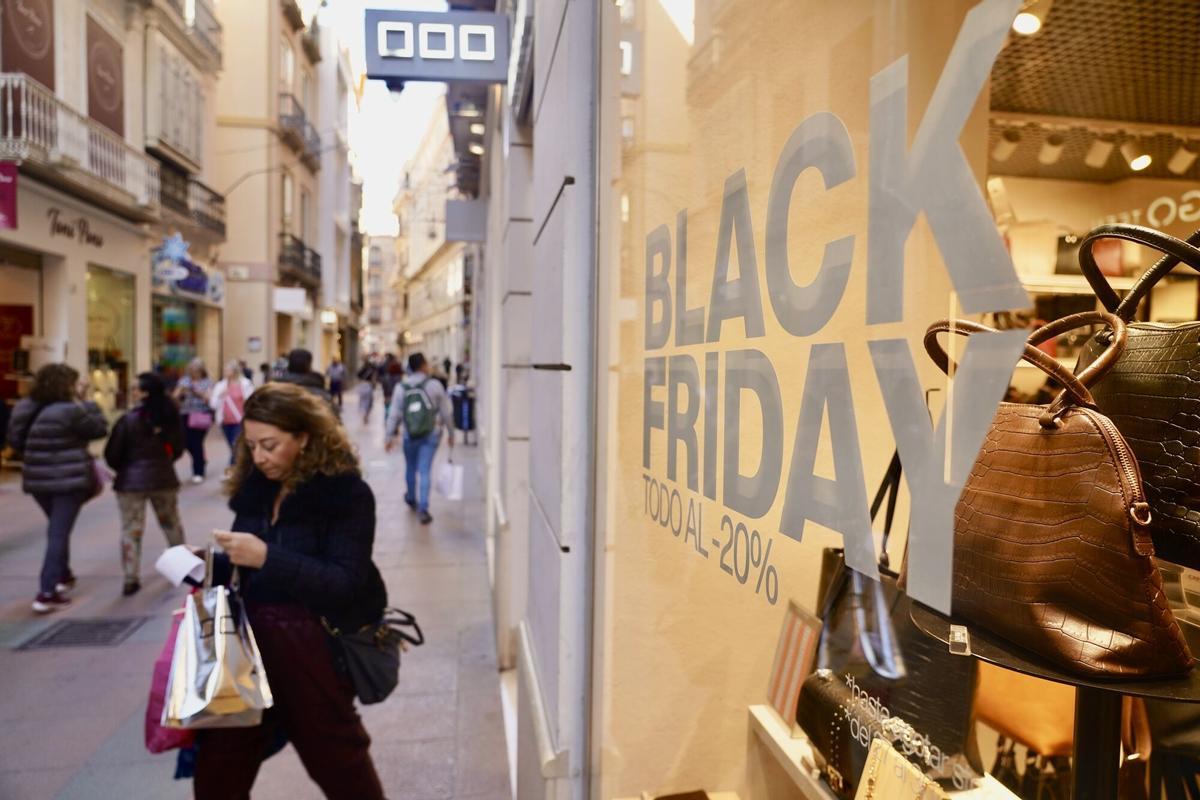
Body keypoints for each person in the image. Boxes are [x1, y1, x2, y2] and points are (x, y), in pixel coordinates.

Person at [197, 382, 386, 799]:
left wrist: (267, 557)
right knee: (218, 767)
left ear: (304, 437)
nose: (260, 456)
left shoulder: (345, 494)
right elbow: (247, 562)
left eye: (271, 444)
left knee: (339, 762)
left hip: (311, 650)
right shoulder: (256, 490)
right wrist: (209, 562)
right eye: (251, 445)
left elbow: (345, 581)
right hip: (247, 648)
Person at [6, 364, 108, 613]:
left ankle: (63, 575)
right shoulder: (71, 410)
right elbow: (99, 429)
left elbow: (15, 440)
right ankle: (47, 591)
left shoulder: (23, 407)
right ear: (66, 385)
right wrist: (87, 403)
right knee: (58, 533)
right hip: (69, 480)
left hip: (37, 479)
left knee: (57, 528)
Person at [103, 372, 185, 596]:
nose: (132, 393)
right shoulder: (169, 416)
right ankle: (182, 568)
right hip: (163, 478)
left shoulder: (127, 420)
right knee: (171, 523)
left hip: (131, 482)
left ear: (145, 392)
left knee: (131, 529)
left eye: (135, 389)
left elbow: (112, 454)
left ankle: (131, 576)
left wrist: (126, 468)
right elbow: (178, 447)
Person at [385, 352, 453, 524]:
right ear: (423, 365)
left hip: (410, 434)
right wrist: (451, 433)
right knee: (424, 470)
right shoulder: (435, 385)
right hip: (431, 434)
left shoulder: (402, 387)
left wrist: (389, 436)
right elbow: (446, 412)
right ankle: (423, 508)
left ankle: (411, 498)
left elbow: (394, 414)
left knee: (410, 467)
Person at [173, 358, 213, 484]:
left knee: (196, 442)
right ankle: (200, 460)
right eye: (191, 370)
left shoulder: (208, 382)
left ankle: (198, 471)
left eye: (196, 370)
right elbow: (174, 397)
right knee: (186, 442)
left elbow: (209, 398)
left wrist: (195, 391)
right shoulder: (184, 380)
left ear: (201, 370)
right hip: (185, 414)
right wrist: (181, 391)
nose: (193, 373)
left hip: (201, 414)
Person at [210, 360, 255, 466]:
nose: (225, 372)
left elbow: (251, 401)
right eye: (224, 370)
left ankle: (232, 469)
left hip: (240, 420)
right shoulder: (220, 385)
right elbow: (213, 404)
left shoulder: (245, 384)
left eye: (227, 370)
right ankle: (240, 466)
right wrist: (220, 395)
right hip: (225, 420)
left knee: (235, 444)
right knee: (232, 445)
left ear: (235, 371)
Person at [378, 355, 403, 429]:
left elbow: (384, 387)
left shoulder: (386, 378)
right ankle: (395, 426)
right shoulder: (399, 379)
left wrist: (385, 396)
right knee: (396, 412)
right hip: (395, 398)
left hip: (388, 396)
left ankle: (387, 422)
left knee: (387, 410)